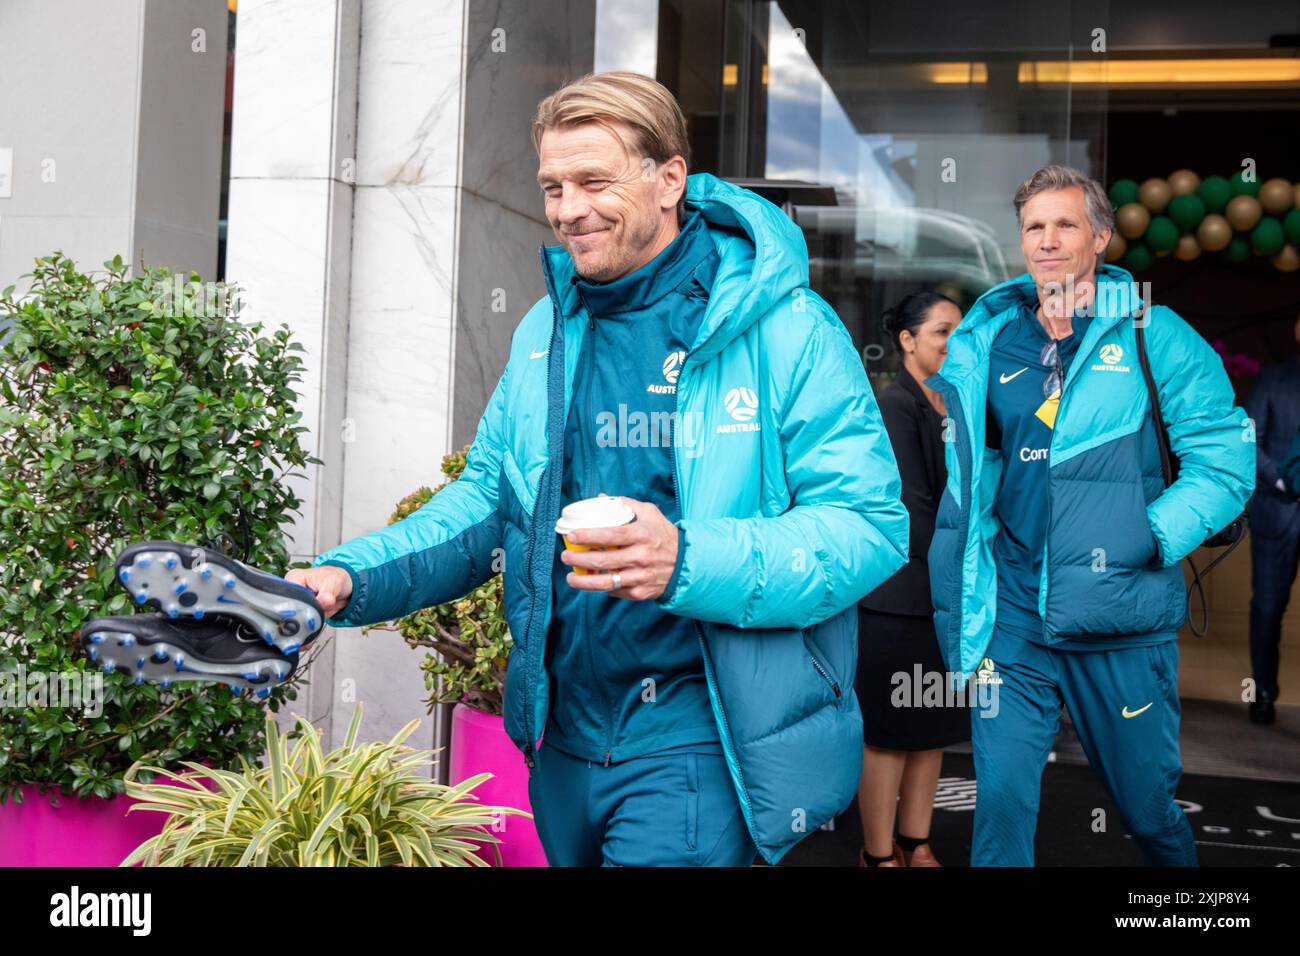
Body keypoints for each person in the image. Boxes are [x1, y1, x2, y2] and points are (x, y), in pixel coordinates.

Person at [286, 72, 909, 867]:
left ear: (669, 180)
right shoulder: (548, 325)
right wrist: (345, 578)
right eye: (552, 186)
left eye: (593, 181)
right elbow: (488, 505)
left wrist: (687, 558)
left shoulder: (785, 327)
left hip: (698, 742)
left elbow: (869, 528)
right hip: (565, 744)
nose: (568, 208)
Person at [926, 165, 1254, 867]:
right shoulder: (986, 341)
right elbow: (977, 473)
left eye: (1065, 224)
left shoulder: (1153, 335)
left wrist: (1149, 537)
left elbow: (1225, 462)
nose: (1048, 240)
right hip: (1013, 614)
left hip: (1117, 617)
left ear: (1100, 237)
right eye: (1034, 227)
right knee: (1003, 801)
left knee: (1148, 809)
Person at [855, 291, 968, 867]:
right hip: (899, 600)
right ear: (907, 341)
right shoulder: (894, 406)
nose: (954, 344)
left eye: (959, 332)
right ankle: (878, 854)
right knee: (887, 733)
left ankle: (917, 840)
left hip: (947, 596)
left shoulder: (959, 406)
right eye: (942, 332)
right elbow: (913, 507)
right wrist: (966, 557)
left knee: (933, 729)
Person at [1243, 313, 1300, 725]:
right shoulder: (1273, 379)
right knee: (1266, 609)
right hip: (1278, 508)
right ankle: (1262, 693)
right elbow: (1249, 438)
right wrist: (1279, 480)